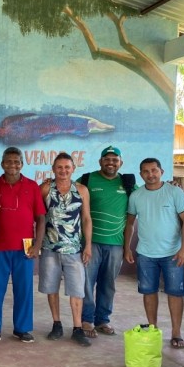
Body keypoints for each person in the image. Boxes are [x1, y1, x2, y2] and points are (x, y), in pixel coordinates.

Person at [125, 158, 184, 348]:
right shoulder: (136, 196)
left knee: (175, 293)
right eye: (146, 171)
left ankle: (176, 333)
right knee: (149, 292)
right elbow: (130, 223)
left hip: (173, 254)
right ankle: (153, 330)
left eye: (154, 170)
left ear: (161, 172)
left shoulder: (174, 192)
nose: (150, 174)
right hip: (146, 254)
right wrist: (127, 248)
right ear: (141, 175)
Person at [0, 147, 46, 342]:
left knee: (24, 289)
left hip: (25, 248)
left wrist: (37, 245)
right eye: (9, 162)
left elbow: (41, 219)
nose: (13, 165)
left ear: (22, 164)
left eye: (17, 162)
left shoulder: (32, 186)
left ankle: (22, 328)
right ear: (2, 164)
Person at [77, 145, 135, 338]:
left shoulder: (127, 183)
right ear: (100, 161)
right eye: (107, 159)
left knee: (108, 284)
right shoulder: (87, 180)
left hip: (116, 244)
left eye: (115, 160)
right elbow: (67, 191)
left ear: (121, 163)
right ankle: (87, 319)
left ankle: (102, 320)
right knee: (87, 282)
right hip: (90, 243)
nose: (111, 163)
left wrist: (127, 248)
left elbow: (138, 207)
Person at [39, 153, 93, 347]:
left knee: (77, 290)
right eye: (59, 167)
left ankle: (77, 328)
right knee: (51, 287)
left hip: (74, 249)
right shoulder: (45, 188)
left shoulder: (81, 190)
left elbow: (87, 218)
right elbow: (37, 217)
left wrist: (87, 245)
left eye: (67, 167)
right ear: (53, 169)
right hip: (49, 247)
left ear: (73, 169)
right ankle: (56, 324)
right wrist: (35, 244)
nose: (63, 171)